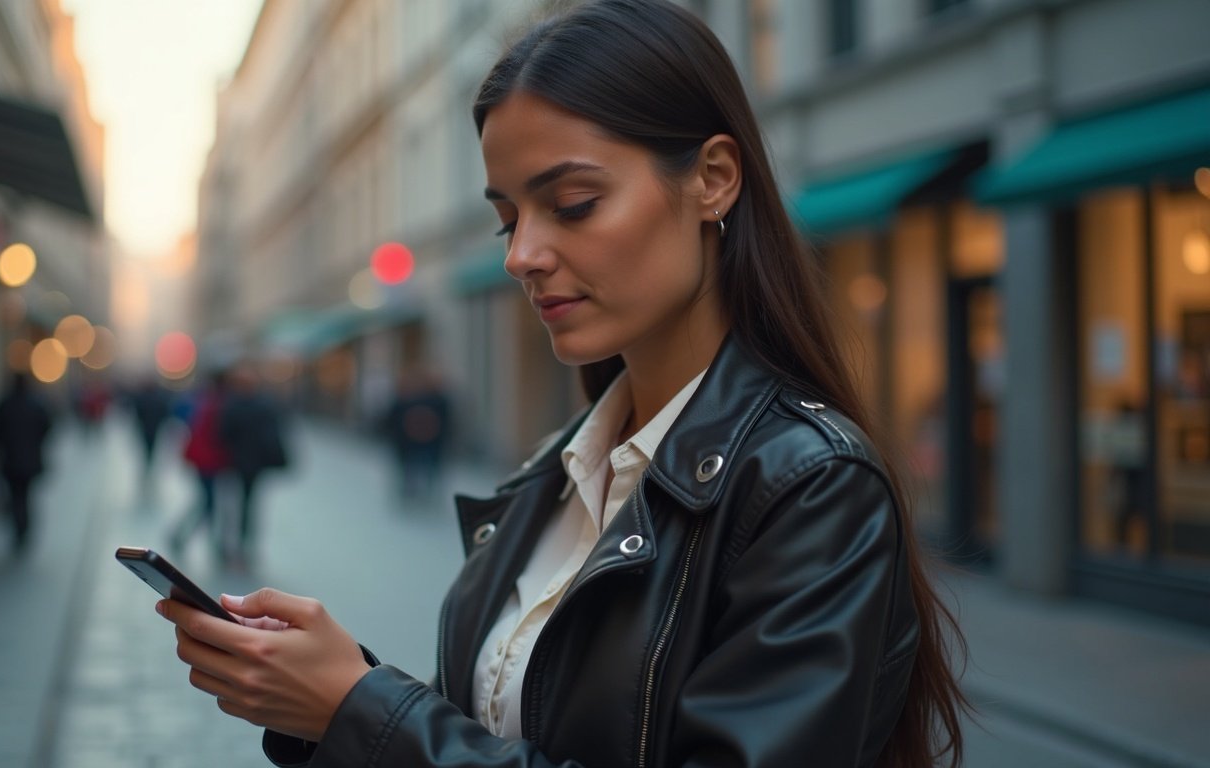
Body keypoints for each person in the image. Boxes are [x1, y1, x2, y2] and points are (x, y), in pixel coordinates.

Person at [155, 2, 968, 766]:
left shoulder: (810, 487)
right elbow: (490, 728)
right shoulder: (554, 472)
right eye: (508, 220)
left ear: (714, 179)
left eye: (573, 204)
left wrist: (363, 710)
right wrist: (330, 700)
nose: (521, 256)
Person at [217, 364, 288, 570]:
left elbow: (224, 433)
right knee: (247, 507)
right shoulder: (264, 405)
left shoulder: (232, 405)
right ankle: (242, 547)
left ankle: (232, 547)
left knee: (233, 506)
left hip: (236, 463)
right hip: (253, 464)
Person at [0, 372, 53, 554]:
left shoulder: (5, 404)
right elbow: (47, 425)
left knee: (16, 496)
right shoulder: (35, 404)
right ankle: (24, 528)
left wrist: (3, 445)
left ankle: (19, 528)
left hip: (10, 461)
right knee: (25, 496)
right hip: (30, 460)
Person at [169, 370, 231, 558]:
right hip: (210, 461)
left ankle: (184, 536)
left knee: (208, 502)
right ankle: (184, 536)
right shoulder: (218, 406)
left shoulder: (203, 402)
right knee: (209, 503)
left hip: (204, 460)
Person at [380, 365, 453, 504]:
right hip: (424, 442)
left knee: (412, 467)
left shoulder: (404, 400)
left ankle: (412, 492)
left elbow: (390, 421)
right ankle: (421, 492)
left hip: (410, 443)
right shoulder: (437, 401)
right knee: (425, 467)